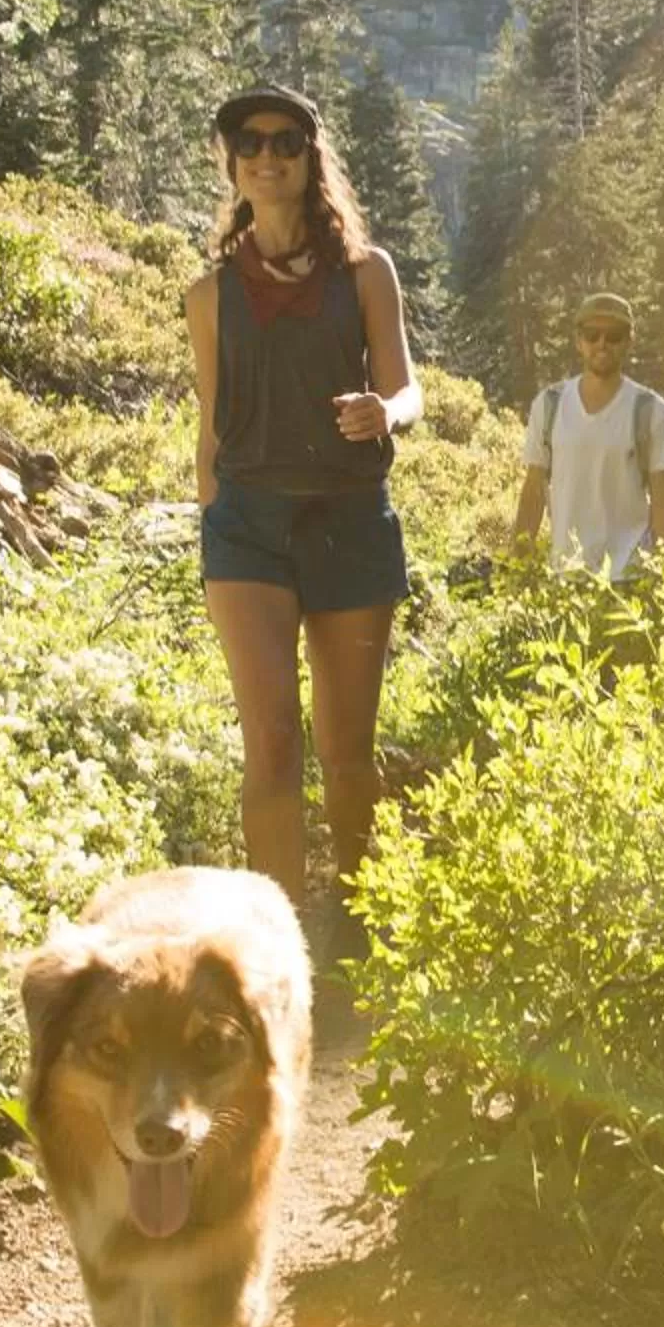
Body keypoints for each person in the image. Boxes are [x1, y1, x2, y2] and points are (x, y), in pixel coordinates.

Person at [188, 83, 421, 944]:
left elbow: (406, 384)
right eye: (248, 140)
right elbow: (211, 423)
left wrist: (386, 413)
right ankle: (276, 947)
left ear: (310, 157)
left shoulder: (365, 273)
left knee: (346, 755)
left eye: (285, 140)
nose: (267, 155)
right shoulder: (209, 295)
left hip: (350, 522)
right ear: (231, 160)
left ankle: (359, 927)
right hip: (246, 529)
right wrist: (209, 520)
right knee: (273, 746)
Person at [509, 292, 664, 577]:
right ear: (579, 341)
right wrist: (518, 569)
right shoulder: (549, 404)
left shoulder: (650, 410)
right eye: (592, 334)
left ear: (629, 341)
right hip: (566, 578)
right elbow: (533, 492)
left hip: (630, 579)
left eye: (613, 335)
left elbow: (663, 499)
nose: (602, 343)